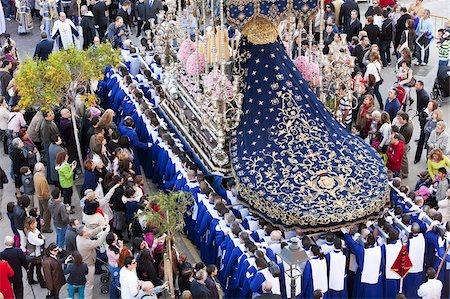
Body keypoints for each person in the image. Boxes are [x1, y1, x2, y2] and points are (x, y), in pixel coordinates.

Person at [76, 224, 110, 299]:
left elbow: (91, 233)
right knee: (89, 284)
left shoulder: (80, 237)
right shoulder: (85, 243)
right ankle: (88, 297)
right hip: (89, 265)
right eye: (86, 229)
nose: (88, 230)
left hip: (85, 261)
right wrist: (105, 232)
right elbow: (98, 242)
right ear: (84, 233)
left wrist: (100, 228)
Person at [24, 216, 46, 287]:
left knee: (32, 267)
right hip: (35, 254)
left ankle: (30, 279)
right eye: (35, 222)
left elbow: (40, 236)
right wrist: (42, 240)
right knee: (38, 269)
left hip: (35, 252)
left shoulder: (34, 230)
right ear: (31, 225)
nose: (36, 222)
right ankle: (42, 283)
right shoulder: (30, 234)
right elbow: (39, 242)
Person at [34, 162, 53, 233]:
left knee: (41, 211)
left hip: (39, 196)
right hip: (44, 198)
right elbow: (44, 192)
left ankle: (40, 222)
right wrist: (48, 197)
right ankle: (46, 227)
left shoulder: (36, 175)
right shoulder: (42, 179)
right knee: (47, 212)